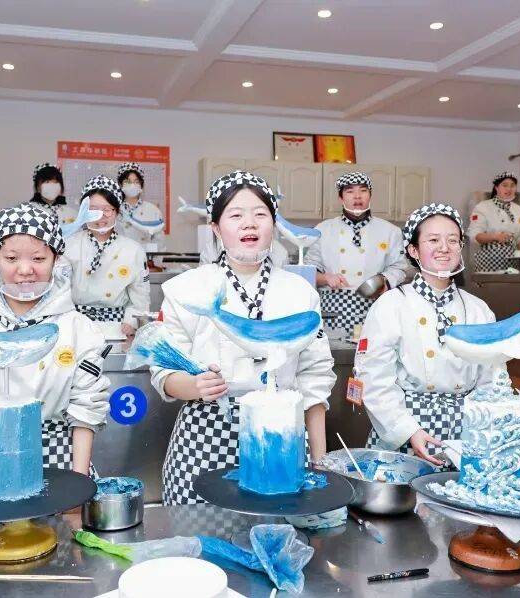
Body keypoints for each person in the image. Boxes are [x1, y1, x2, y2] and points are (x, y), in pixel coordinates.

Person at [150, 170, 335, 504]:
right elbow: (163, 371)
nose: (250, 224)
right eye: (236, 215)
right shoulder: (187, 289)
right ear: (216, 228)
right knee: (203, 533)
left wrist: (319, 461)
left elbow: (315, 376)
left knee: (277, 527)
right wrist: (194, 386)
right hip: (204, 436)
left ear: (274, 224)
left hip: (283, 436)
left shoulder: (300, 292)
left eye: (260, 214)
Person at [0, 203, 111, 483]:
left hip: (59, 461)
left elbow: (86, 412)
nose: (25, 270)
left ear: (56, 259)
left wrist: (77, 491)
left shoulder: (80, 329)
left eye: (38, 259)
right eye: (11, 258)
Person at [355, 204, 496, 465]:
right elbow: (373, 379)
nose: (444, 247)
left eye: (452, 240)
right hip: (405, 428)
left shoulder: (479, 309)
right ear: (413, 250)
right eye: (433, 240)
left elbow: (492, 380)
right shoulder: (390, 304)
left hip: (465, 433)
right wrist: (408, 431)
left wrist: (484, 426)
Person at [306, 171, 408, 333]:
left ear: (370, 195)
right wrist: (326, 277)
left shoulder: (390, 231)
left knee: (373, 347)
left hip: (375, 306)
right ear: (341, 198)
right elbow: (308, 272)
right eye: (350, 191)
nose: (357, 196)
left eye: (363, 190)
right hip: (333, 310)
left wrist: (384, 281)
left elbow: (399, 268)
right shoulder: (323, 230)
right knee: (335, 348)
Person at [65, 175, 150, 338]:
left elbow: (140, 296)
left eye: (107, 209)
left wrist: (131, 322)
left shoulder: (133, 250)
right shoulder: (69, 246)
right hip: (76, 325)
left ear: (117, 211)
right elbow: (58, 292)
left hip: (117, 328)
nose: (100, 216)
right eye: (93, 210)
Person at [468, 171, 520, 272]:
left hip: (513, 261)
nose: (509, 189)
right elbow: (475, 235)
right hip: (488, 261)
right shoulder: (482, 207)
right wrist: (495, 236)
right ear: (496, 188)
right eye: (505, 185)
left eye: (512, 186)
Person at [116, 162, 164, 248]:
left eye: (136, 182)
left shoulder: (153, 210)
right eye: (127, 182)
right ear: (120, 185)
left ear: (141, 185)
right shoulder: (113, 210)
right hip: (119, 255)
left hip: (144, 255)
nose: (132, 185)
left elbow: (159, 243)